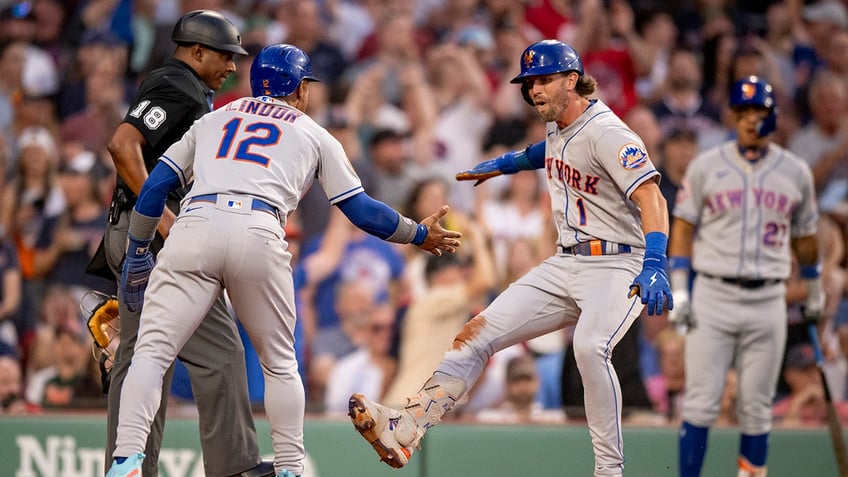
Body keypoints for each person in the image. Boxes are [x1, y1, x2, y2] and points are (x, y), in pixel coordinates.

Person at [104, 43, 461, 477]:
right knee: (279, 361)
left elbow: (157, 184)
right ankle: (291, 468)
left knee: (152, 353)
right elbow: (360, 209)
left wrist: (139, 250)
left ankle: (125, 461)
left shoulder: (214, 119)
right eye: (307, 84)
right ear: (298, 87)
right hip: (259, 228)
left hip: (194, 226)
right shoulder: (312, 132)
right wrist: (418, 233)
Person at [347, 39, 674, 477]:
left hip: (619, 263)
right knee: (476, 335)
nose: (534, 90)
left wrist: (655, 261)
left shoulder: (609, 132)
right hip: (567, 262)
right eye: (529, 83)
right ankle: (407, 427)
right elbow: (554, 150)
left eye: (543, 80)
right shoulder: (561, 122)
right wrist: (510, 163)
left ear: (572, 80)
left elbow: (652, 196)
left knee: (590, 347)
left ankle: (609, 471)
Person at [86, 10, 275, 477]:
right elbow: (122, 143)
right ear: (198, 51)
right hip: (150, 236)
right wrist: (166, 225)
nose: (232, 67)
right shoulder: (177, 85)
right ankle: (234, 467)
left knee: (142, 357)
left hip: (134, 234)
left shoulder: (184, 86)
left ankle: (128, 467)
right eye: (226, 56)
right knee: (219, 352)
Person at [669, 76, 822, 477]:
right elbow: (683, 231)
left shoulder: (795, 171)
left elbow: (806, 237)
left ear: (773, 117)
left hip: (768, 299)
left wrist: (815, 287)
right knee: (701, 403)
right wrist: (682, 294)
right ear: (731, 116)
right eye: (744, 112)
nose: (752, 120)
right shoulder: (705, 166)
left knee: (756, 409)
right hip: (713, 297)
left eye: (761, 112)